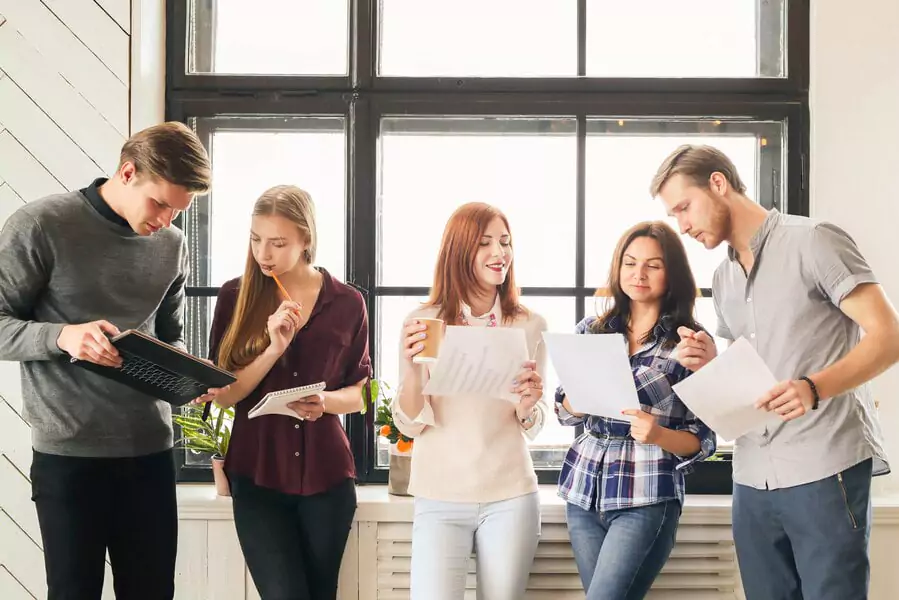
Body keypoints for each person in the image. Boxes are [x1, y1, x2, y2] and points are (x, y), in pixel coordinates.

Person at [651, 144, 899, 600]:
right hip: (751, 476)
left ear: (719, 184)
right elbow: (755, 372)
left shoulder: (815, 240)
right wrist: (712, 363)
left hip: (825, 464)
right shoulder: (723, 280)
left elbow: (889, 337)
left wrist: (813, 387)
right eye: (674, 215)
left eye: (684, 208)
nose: (682, 226)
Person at [0, 122, 212, 599]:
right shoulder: (41, 225)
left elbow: (168, 338)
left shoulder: (171, 245)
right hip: (69, 459)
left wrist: (191, 376)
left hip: (150, 455)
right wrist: (63, 337)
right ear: (127, 172)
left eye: (178, 210)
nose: (165, 221)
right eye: (159, 203)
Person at [202, 185, 371, 600]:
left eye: (278, 242)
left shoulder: (348, 303)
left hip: (327, 477)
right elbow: (221, 396)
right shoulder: (233, 297)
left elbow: (363, 394)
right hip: (257, 475)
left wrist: (326, 403)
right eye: (256, 239)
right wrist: (273, 347)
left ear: (306, 240)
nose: (264, 253)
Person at [392, 202, 547, 600]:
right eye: (485, 243)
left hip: (511, 493)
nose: (500, 254)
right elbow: (410, 424)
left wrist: (528, 406)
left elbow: (534, 422)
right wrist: (411, 369)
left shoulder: (529, 324)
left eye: (505, 242)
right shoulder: (425, 321)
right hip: (440, 494)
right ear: (460, 251)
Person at [555, 221, 717, 600]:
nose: (638, 274)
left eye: (653, 265)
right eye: (629, 263)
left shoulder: (690, 341)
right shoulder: (590, 330)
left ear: (671, 273)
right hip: (584, 492)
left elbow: (705, 439)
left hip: (646, 494)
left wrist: (658, 433)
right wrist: (574, 401)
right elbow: (564, 410)